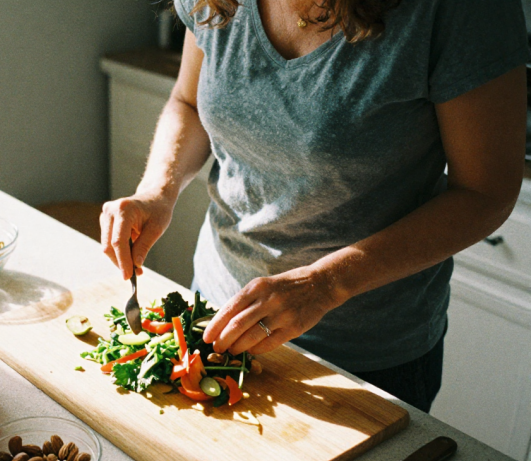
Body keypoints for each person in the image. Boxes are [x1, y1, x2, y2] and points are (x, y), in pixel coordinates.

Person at [99, 0, 528, 412]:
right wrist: (156, 191)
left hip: (362, 358)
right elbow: (189, 101)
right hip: (217, 313)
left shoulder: (460, 9)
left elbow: (484, 193)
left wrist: (325, 284)